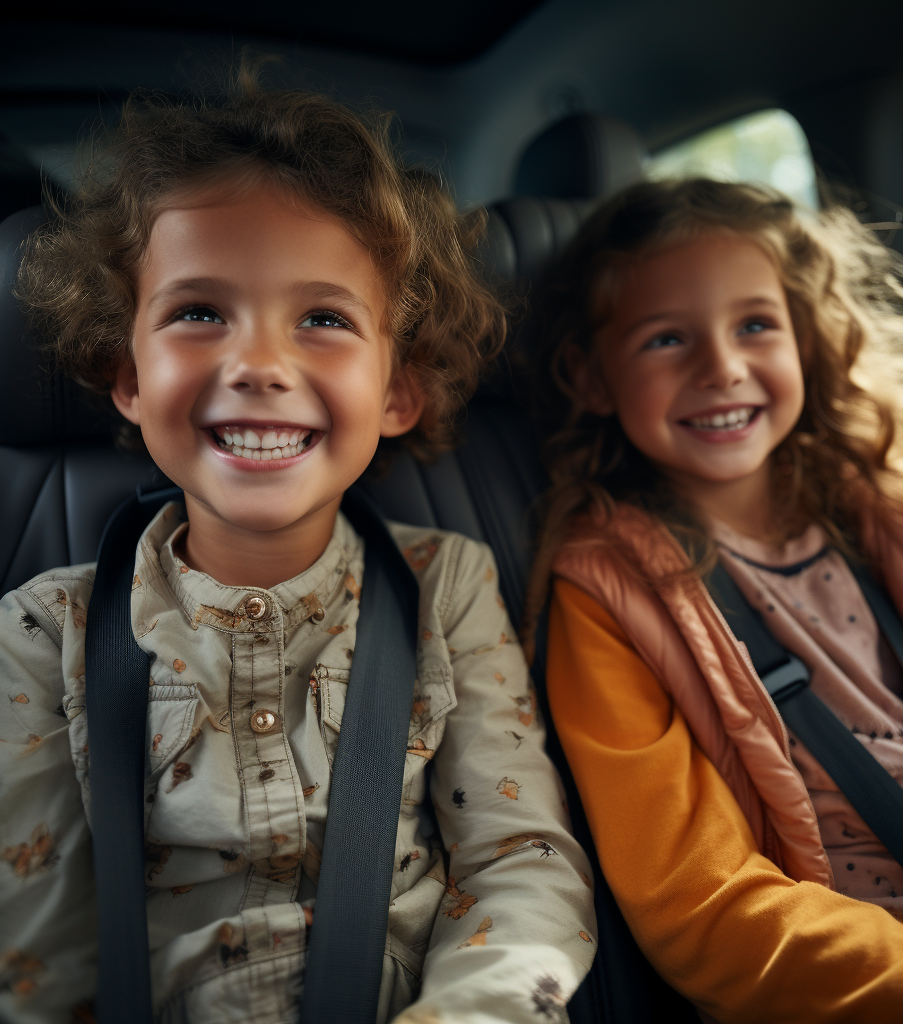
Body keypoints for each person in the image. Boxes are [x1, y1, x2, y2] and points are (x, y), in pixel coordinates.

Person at [0, 68, 596, 1024]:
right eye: (198, 312)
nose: (261, 366)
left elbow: (518, 857)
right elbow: (32, 944)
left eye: (323, 319)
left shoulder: (447, 586)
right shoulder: (40, 629)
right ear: (128, 376)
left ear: (399, 390)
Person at [526, 176, 903, 1023]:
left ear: (809, 338)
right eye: (666, 340)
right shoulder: (606, 594)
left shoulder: (899, 510)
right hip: (867, 978)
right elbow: (703, 904)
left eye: (756, 325)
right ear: (593, 377)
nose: (722, 368)